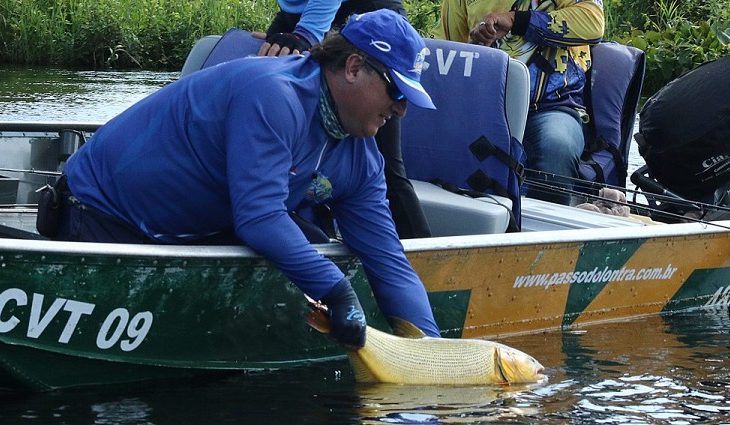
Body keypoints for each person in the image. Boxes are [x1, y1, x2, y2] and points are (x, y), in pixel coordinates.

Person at [46, 10, 441, 348]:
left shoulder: (363, 157)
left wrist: (430, 352)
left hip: (198, 233)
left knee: (316, 248)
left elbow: (387, 262)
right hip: (103, 216)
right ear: (354, 67)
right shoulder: (275, 95)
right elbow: (259, 217)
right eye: (396, 91)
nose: (402, 109)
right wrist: (336, 291)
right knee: (317, 268)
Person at [256, 0, 433, 239]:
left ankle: (426, 259)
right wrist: (278, 32)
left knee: (388, 167)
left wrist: (305, 34)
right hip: (317, 16)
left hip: (371, 21)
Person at [436, 0, 604, 205]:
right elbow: (445, 50)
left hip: (553, 106)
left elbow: (593, 24)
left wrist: (516, 21)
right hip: (482, 107)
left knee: (557, 147)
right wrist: (476, 43)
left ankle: (546, 233)